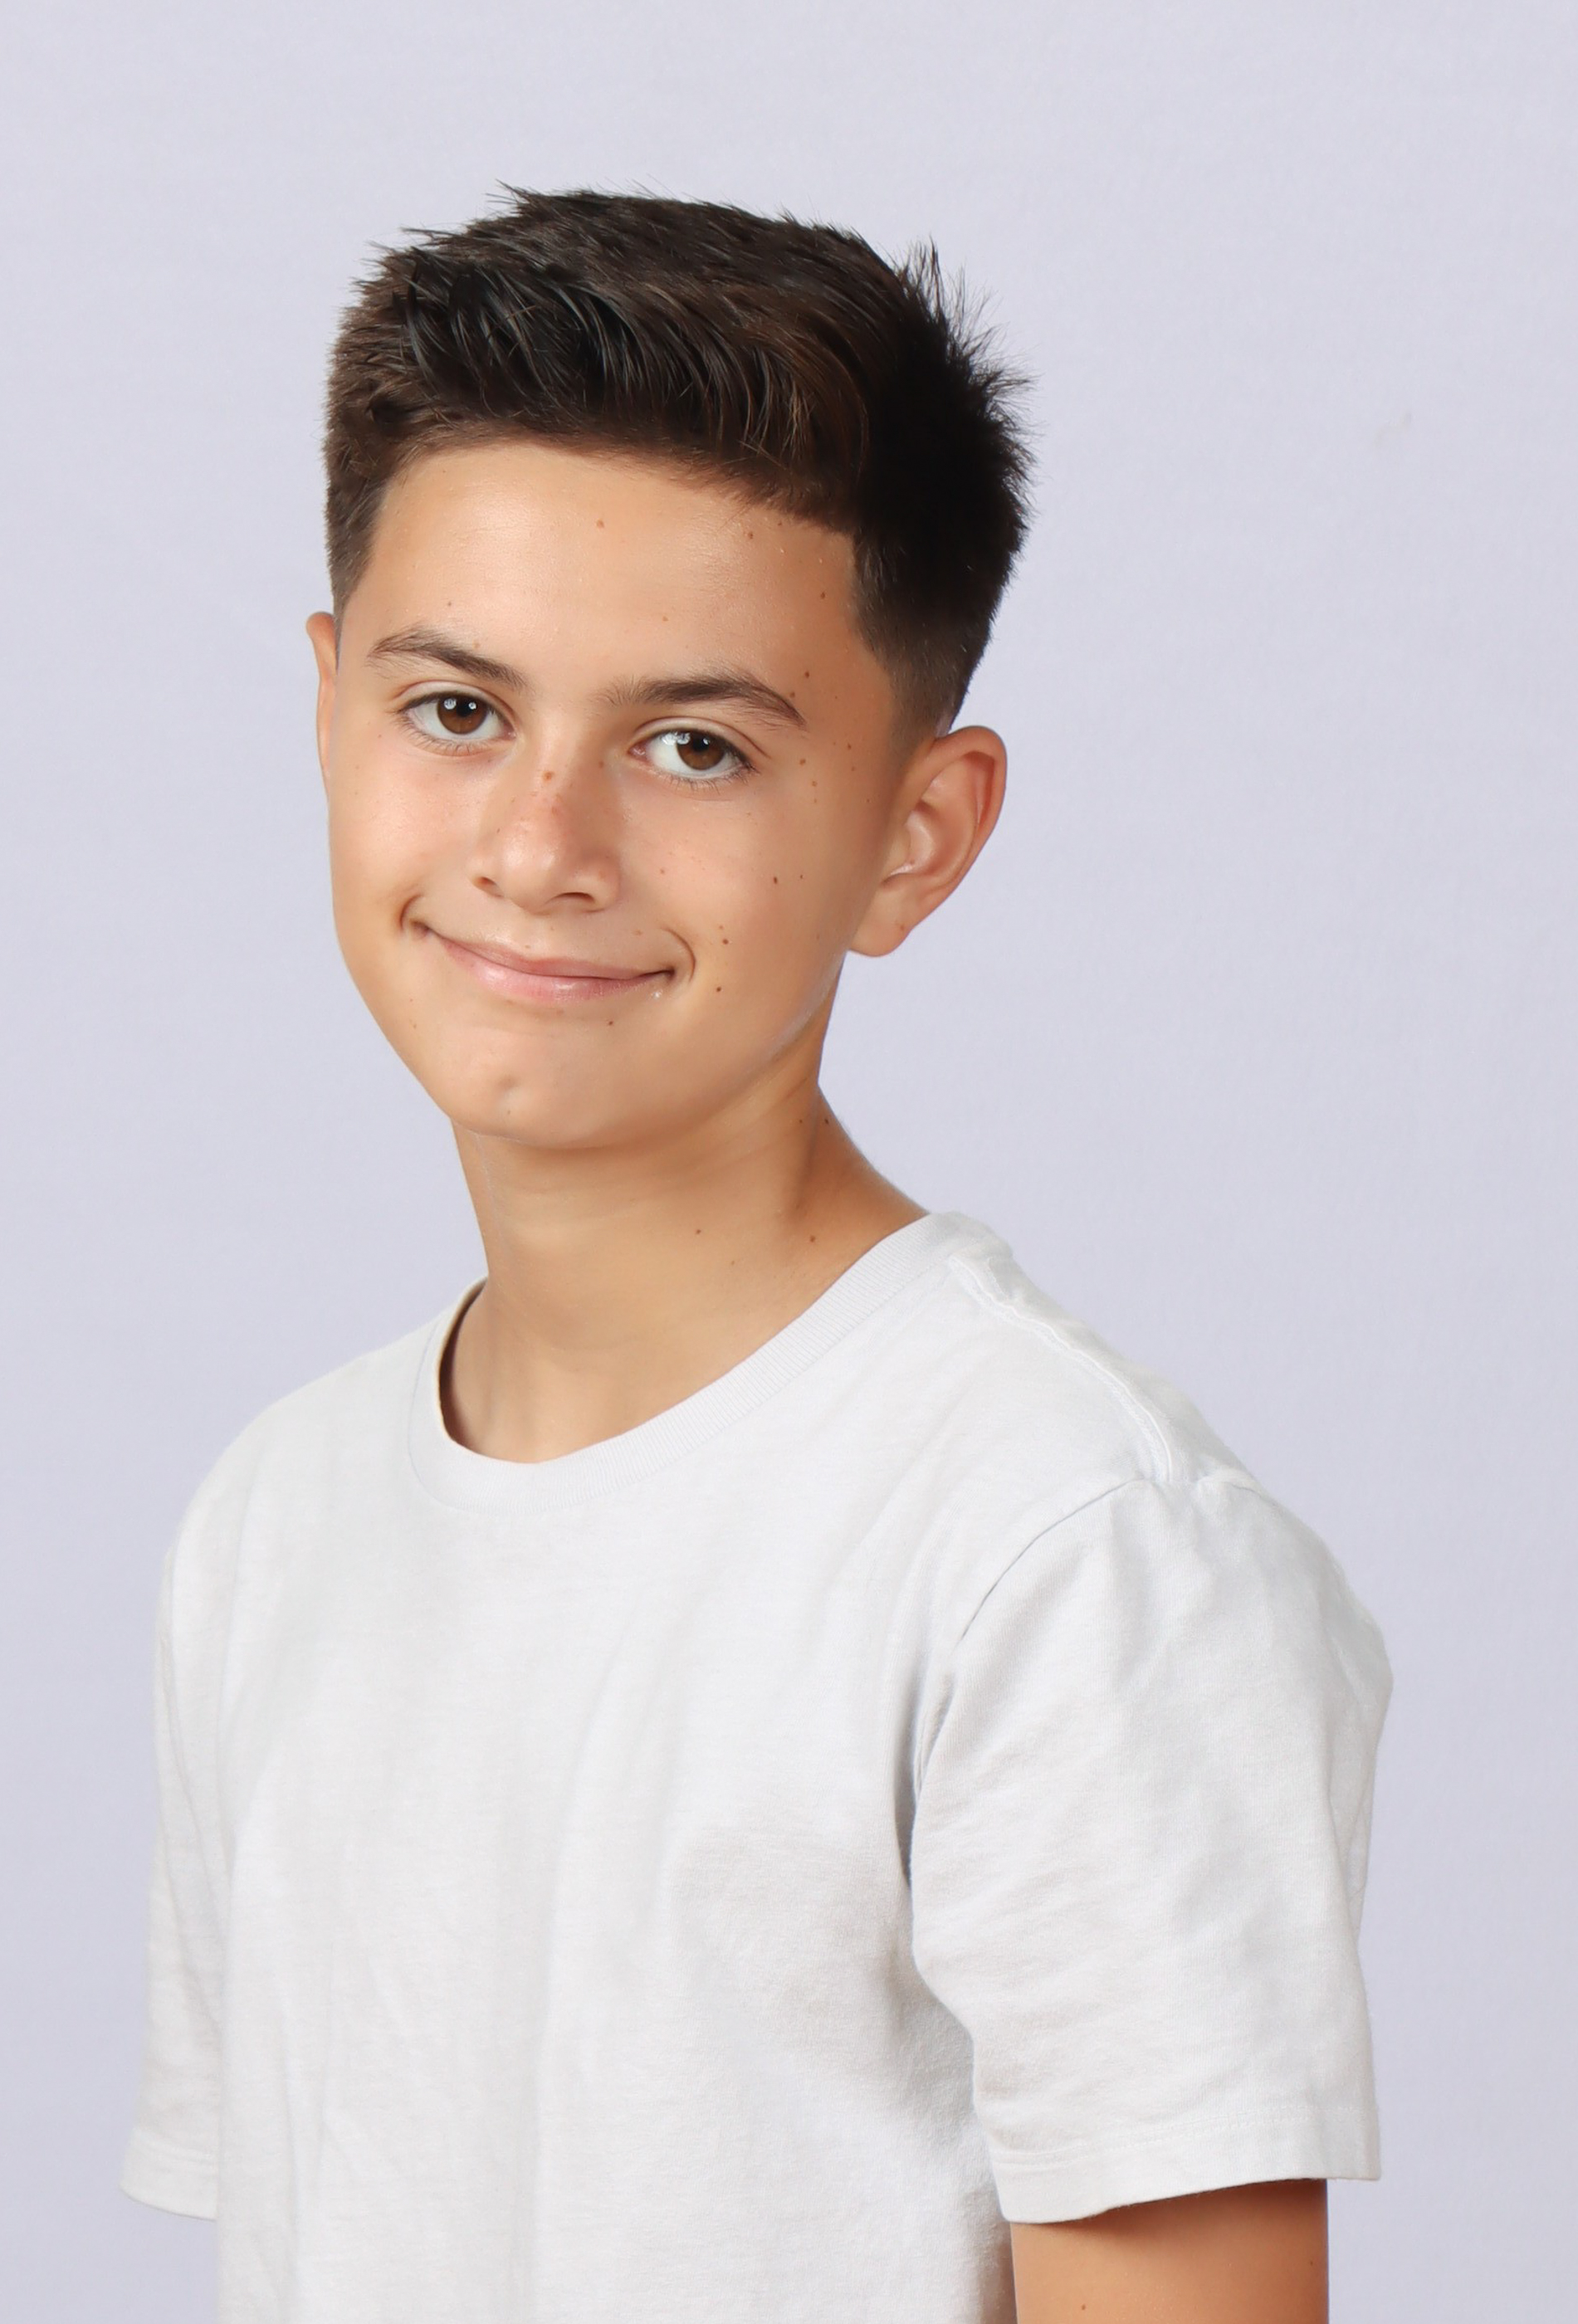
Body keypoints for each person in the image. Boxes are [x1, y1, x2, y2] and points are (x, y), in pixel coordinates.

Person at [122, 191, 1389, 2324]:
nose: (541, 845)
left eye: (693, 745)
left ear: (917, 832)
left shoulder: (1064, 1555)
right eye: (457, 710)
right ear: (331, 707)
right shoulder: (279, 1516)